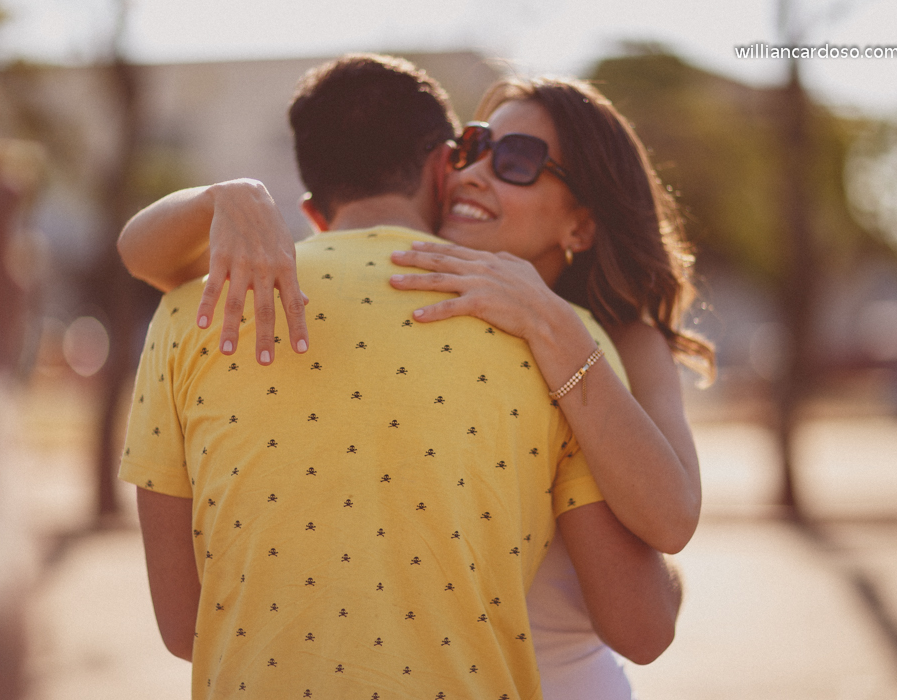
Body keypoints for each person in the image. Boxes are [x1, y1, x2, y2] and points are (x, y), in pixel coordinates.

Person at [119, 54, 683, 700]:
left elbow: (186, 626)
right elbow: (644, 622)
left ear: (312, 211)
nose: (477, 174)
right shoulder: (553, 340)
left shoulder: (186, 316)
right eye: (473, 150)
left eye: (516, 160)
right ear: (445, 168)